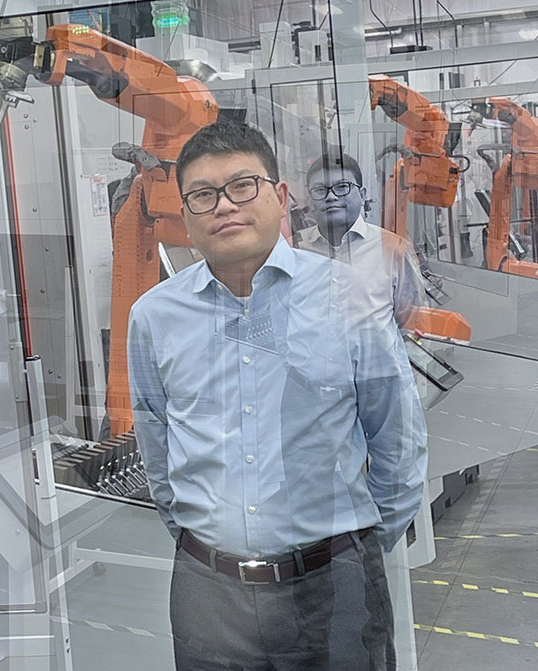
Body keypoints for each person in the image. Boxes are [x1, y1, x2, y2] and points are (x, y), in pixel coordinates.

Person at [127, 121, 427, 671]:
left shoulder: (347, 297)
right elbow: (155, 438)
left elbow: (396, 435)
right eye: (203, 195)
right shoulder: (153, 317)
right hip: (207, 595)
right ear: (186, 213)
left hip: (333, 586)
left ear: (280, 197)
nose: (225, 206)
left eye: (243, 186)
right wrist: (204, 544)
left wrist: (351, 552)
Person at [292, 150, 428, 332]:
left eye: (342, 187)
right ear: (309, 199)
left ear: (363, 195)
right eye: (319, 190)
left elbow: (414, 323)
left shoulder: (392, 248)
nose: (331, 196)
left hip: (376, 360)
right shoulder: (293, 249)